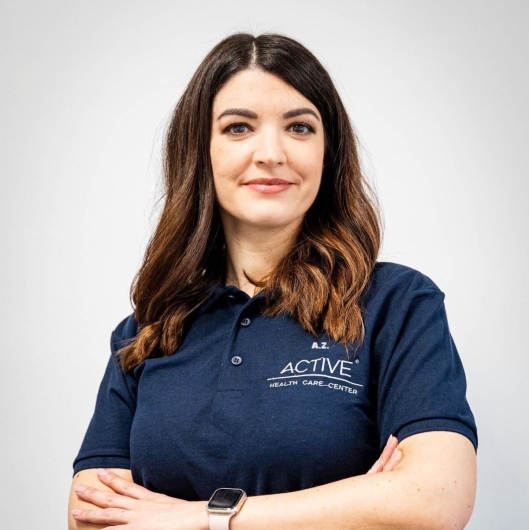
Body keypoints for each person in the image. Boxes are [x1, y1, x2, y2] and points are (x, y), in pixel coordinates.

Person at [68, 33, 477, 530]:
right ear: (200, 151)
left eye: (299, 127)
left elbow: (435, 500)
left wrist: (200, 517)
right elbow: (91, 517)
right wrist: (357, 504)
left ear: (328, 153)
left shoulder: (397, 304)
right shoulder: (149, 330)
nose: (271, 153)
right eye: (238, 127)